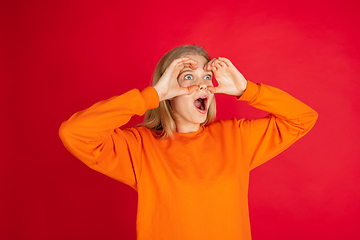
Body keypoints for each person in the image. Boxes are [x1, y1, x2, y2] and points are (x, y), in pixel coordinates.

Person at [59, 45, 318, 240]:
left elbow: (302, 118)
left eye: (207, 78)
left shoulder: (236, 138)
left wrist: (246, 90)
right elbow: (75, 132)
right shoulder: (140, 147)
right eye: (188, 78)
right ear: (169, 91)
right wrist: (153, 95)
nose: (201, 86)